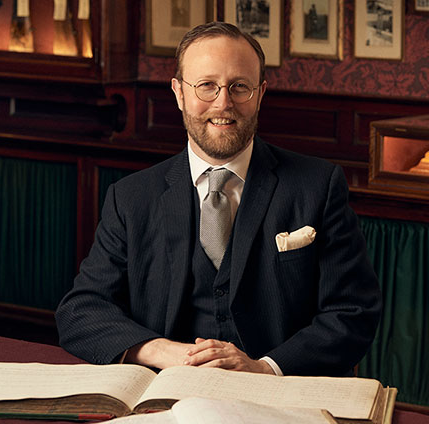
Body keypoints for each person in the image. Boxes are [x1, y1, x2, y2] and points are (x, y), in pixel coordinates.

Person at [55, 22, 382, 377]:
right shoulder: (131, 198)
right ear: (179, 93)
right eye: (207, 86)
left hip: (280, 396)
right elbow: (80, 310)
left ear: (260, 94)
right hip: (167, 397)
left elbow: (353, 311)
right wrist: (162, 352)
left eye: (239, 87)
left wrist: (265, 368)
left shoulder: (318, 186)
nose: (223, 103)